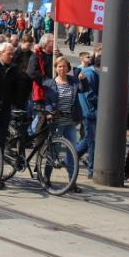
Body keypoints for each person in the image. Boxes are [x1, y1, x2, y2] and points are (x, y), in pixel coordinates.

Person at [41, 56, 83, 193]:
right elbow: (46, 102)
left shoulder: (74, 82)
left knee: (73, 152)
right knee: (54, 151)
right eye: (59, 66)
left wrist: (83, 77)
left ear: (68, 68)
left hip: (70, 121)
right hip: (56, 122)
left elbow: (84, 89)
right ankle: (46, 177)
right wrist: (48, 112)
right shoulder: (50, 84)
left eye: (64, 66)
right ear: (56, 68)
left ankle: (72, 181)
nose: (62, 69)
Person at [75, 52, 99, 179]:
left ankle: (70, 159)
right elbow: (89, 95)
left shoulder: (92, 73)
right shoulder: (89, 73)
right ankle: (91, 170)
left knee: (88, 139)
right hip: (90, 112)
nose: (89, 59)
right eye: (87, 57)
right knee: (91, 141)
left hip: (90, 111)